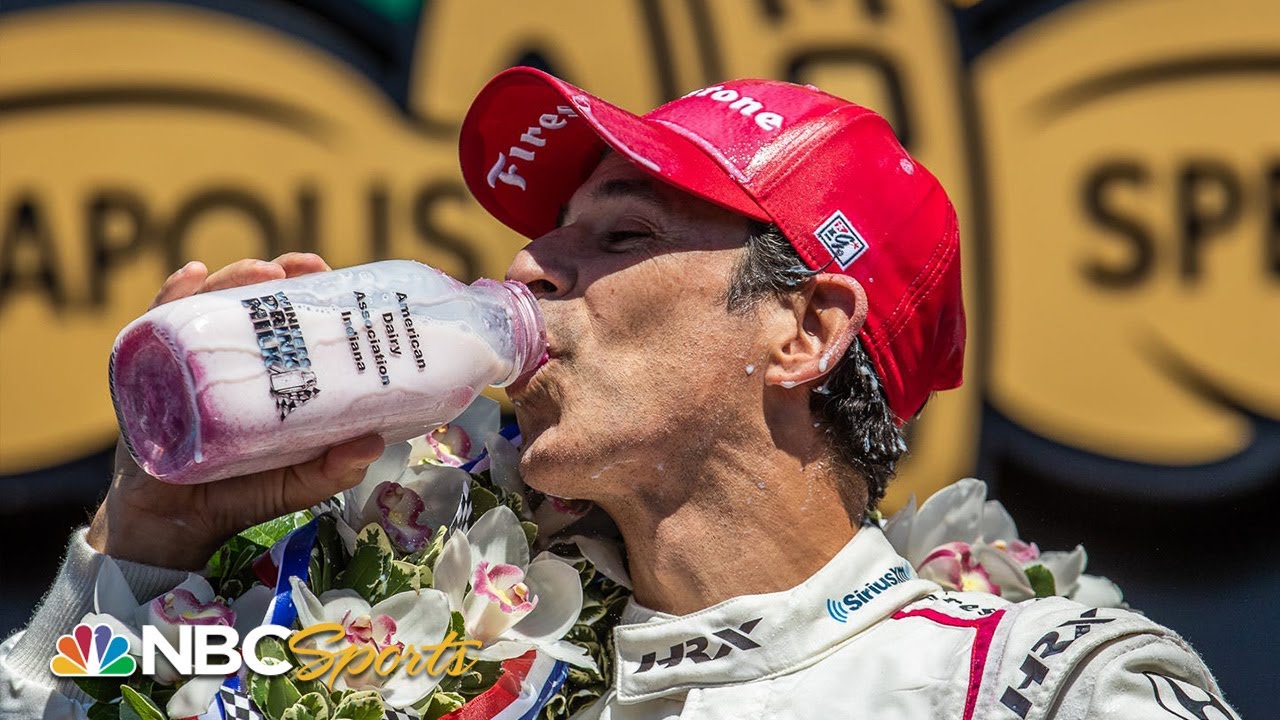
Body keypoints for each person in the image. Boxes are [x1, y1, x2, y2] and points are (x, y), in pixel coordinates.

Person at [0, 68, 1237, 720]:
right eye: (549, 234)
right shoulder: (424, 653)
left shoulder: (1048, 688)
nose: (531, 266)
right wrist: (147, 551)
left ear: (803, 331)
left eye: (623, 234)